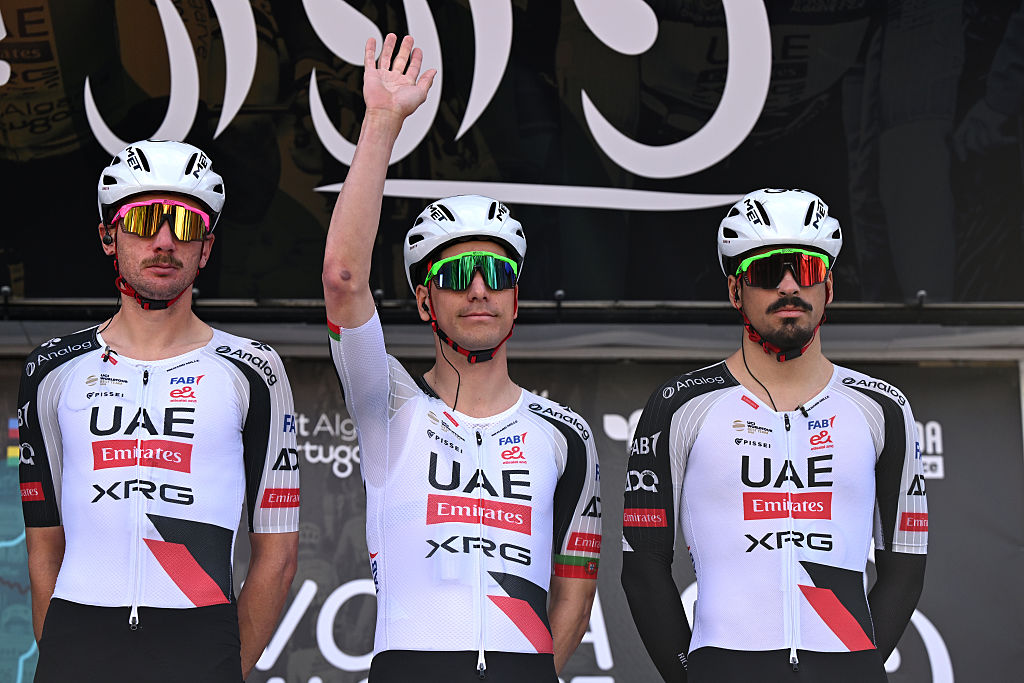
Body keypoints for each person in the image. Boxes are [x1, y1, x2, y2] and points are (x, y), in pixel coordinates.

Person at [322, 34, 601, 682]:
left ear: (516, 296)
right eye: (458, 273)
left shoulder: (565, 435)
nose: (479, 287)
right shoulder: (389, 406)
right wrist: (382, 123)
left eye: (496, 271)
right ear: (424, 299)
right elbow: (342, 278)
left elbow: (576, 596)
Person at [18, 139, 300, 682]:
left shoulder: (254, 370)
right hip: (77, 645)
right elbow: (43, 546)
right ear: (108, 236)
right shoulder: (49, 369)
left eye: (185, 225)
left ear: (207, 248)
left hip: (200, 645)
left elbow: (279, 556)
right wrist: (62, 654)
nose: (165, 241)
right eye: (145, 220)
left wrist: (221, 668)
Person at [621, 188, 928, 682]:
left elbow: (906, 565)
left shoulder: (883, 408)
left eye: (806, 270)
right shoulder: (678, 405)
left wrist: (861, 661)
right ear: (735, 292)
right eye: (767, 272)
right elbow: (642, 568)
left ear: (828, 288)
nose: (789, 285)